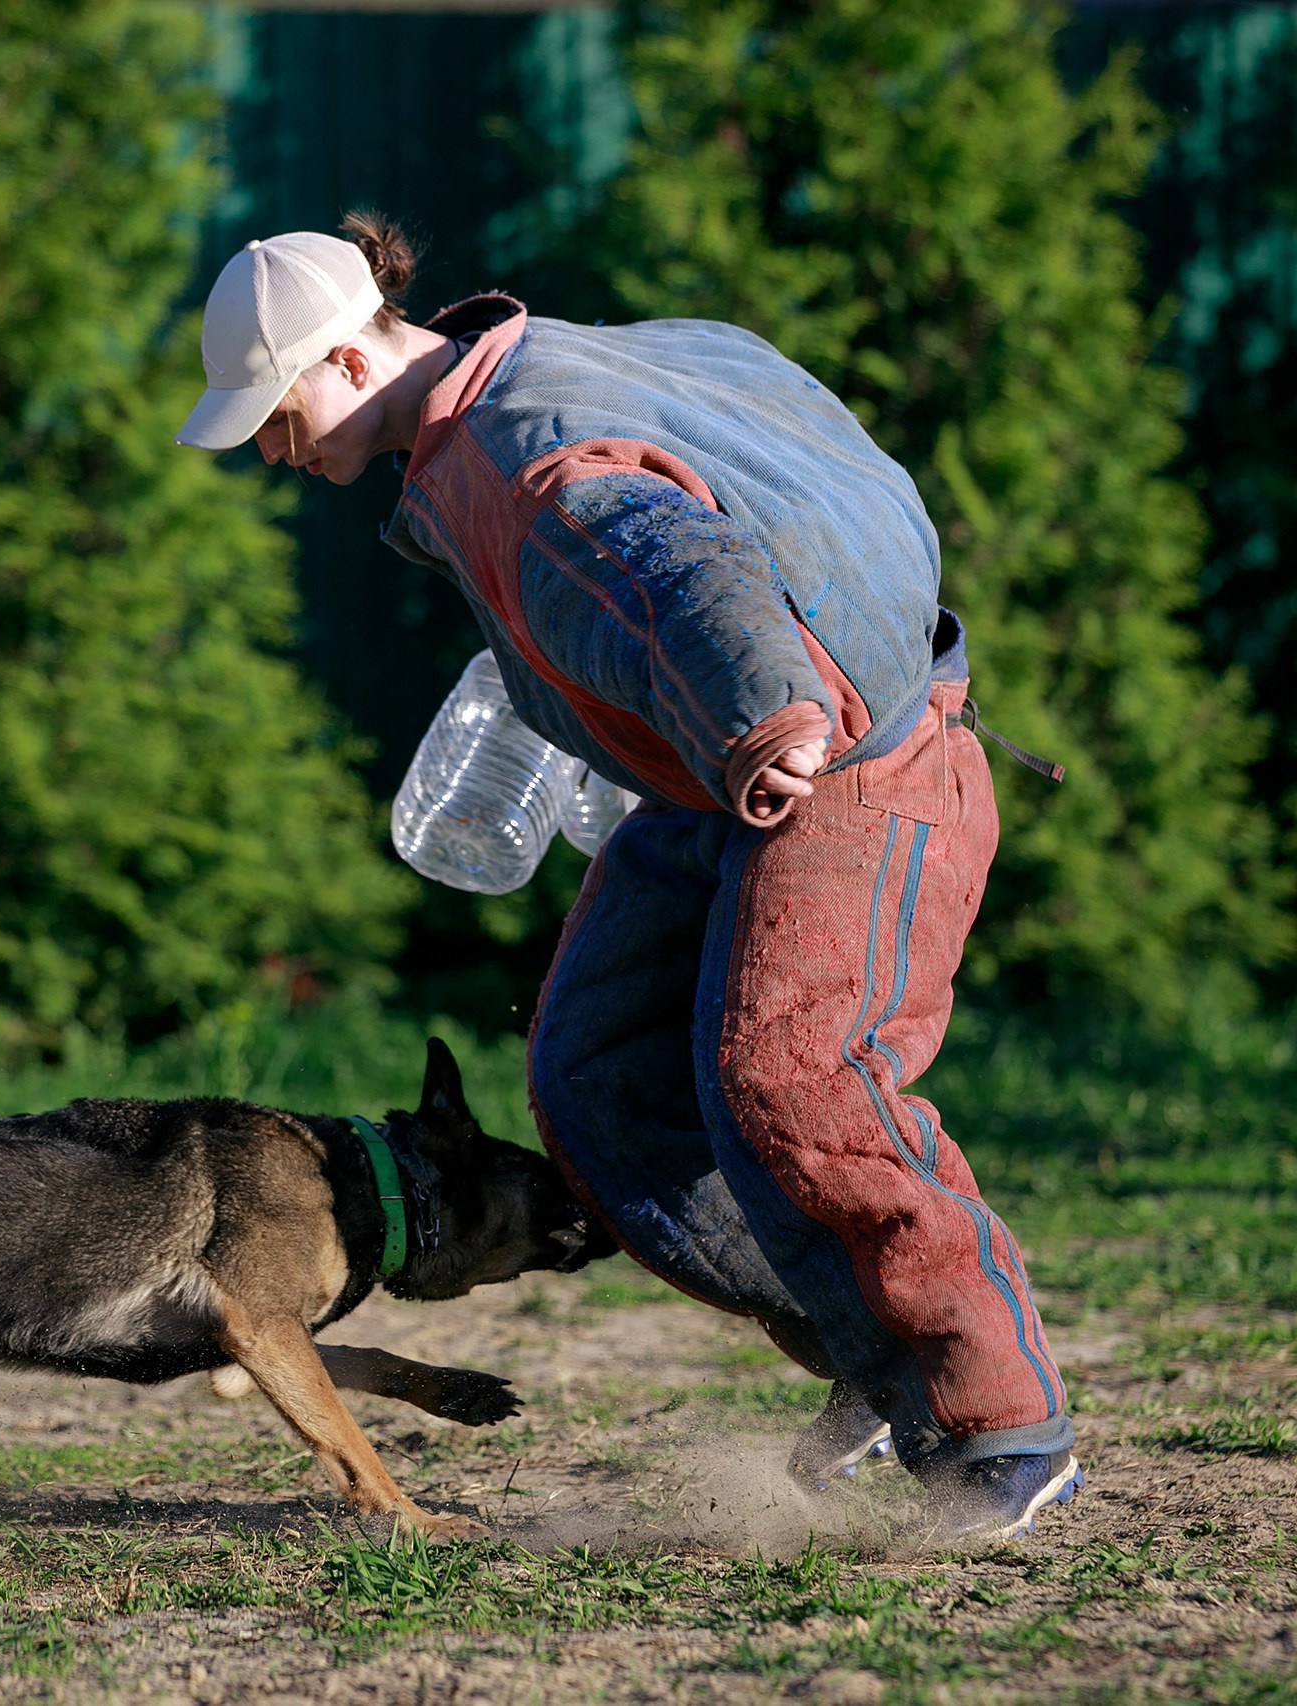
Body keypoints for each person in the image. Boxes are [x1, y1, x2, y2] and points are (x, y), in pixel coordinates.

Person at [175, 218, 1077, 1542]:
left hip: (840, 757)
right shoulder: (535, 368)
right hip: (724, 764)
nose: (272, 446)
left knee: (791, 1073)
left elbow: (665, 555)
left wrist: (766, 708)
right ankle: (880, 1356)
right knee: (593, 1074)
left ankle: (1003, 1417)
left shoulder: (513, 453)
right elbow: (753, 395)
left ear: (351, 347)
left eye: (276, 408)